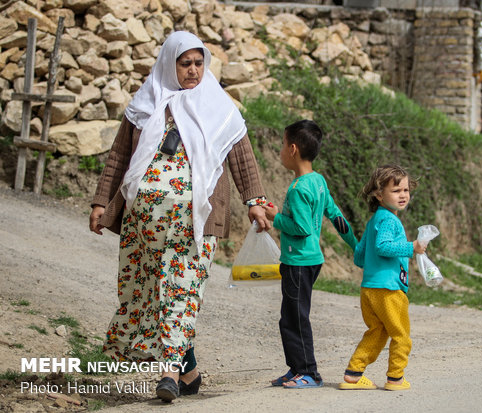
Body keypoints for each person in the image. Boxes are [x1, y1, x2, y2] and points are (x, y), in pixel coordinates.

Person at [88, 31, 270, 402]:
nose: (192, 71)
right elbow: (119, 157)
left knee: (181, 291)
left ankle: (168, 373)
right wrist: (101, 203)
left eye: (199, 63)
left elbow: (241, 159)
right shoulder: (146, 102)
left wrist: (255, 200)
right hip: (145, 227)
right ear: (170, 63)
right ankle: (189, 373)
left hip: (195, 223)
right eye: (185, 63)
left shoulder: (218, 107)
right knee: (155, 295)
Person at [261, 120, 357, 389]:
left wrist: (276, 218)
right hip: (310, 262)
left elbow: (301, 229)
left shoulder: (299, 187)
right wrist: (355, 245)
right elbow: (336, 216)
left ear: (292, 149)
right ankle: (296, 369)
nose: (280, 150)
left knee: (295, 318)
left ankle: (309, 373)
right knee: (289, 317)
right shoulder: (318, 181)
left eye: (282, 144)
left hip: (298, 262)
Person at [338, 164, 425, 391]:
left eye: (405, 190)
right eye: (396, 191)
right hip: (388, 289)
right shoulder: (389, 220)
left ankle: (354, 375)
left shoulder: (375, 220)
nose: (403, 195)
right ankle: (395, 378)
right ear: (379, 195)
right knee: (401, 335)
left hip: (369, 289)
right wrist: (411, 247)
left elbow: (359, 257)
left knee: (377, 332)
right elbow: (383, 246)